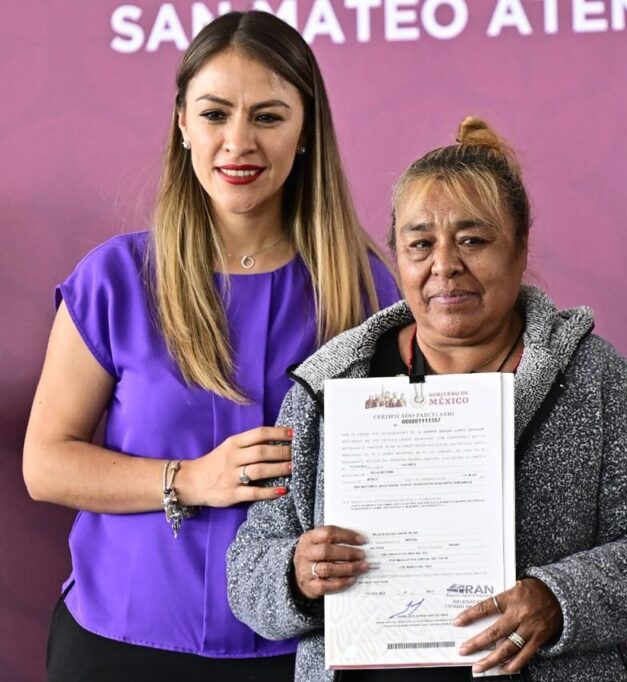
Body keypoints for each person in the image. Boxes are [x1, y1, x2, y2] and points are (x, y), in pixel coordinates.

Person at [227, 116, 627, 682]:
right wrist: (296, 574)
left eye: (473, 240)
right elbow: (248, 568)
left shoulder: (592, 377)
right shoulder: (329, 388)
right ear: (397, 257)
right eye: (420, 244)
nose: (444, 265)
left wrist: (559, 599)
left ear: (521, 247)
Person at [22, 11, 400, 681]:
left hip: (301, 650)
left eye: (268, 116)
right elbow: (45, 464)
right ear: (182, 122)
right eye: (215, 113)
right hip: (119, 646)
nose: (237, 142)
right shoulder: (115, 279)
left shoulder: (365, 286)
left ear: (307, 127)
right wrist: (189, 479)